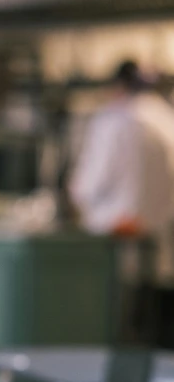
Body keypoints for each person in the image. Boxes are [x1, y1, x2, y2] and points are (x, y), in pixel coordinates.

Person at [69, 60, 174, 346]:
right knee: (149, 335)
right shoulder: (166, 120)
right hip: (159, 250)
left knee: (110, 335)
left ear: (117, 86)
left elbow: (88, 185)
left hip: (114, 248)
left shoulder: (113, 121)